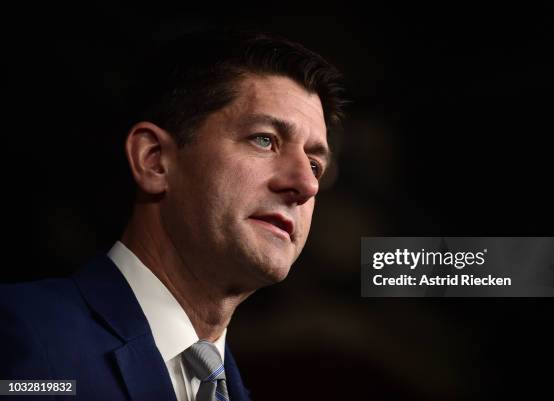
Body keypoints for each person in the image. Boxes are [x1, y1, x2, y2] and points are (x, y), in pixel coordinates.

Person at [0, 29, 345, 401]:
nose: (307, 185)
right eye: (264, 139)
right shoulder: (20, 331)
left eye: (314, 164)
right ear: (155, 161)